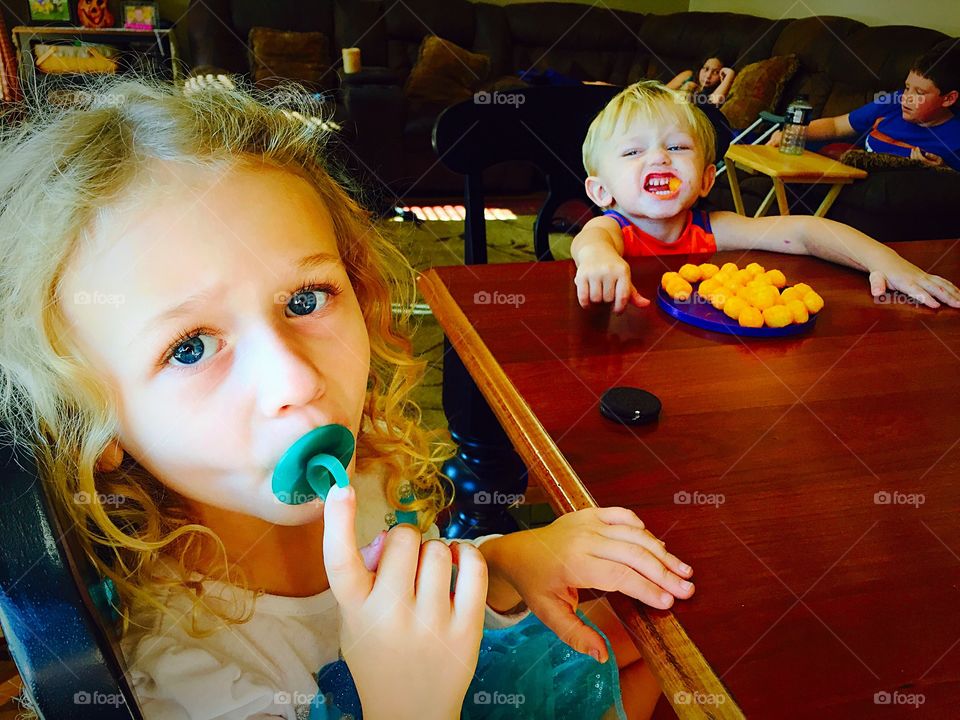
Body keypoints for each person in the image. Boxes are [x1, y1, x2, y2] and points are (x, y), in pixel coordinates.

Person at [0, 76, 695, 719]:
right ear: (99, 419)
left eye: (306, 299)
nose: (296, 382)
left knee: (661, 641)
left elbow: (421, 580)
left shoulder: (364, 476)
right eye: (189, 347)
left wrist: (506, 564)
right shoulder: (179, 669)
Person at [571, 81, 960, 313]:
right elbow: (591, 239)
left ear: (707, 180)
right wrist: (597, 259)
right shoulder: (612, 230)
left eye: (677, 148)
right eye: (632, 152)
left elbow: (806, 232)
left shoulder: (713, 229)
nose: (659, 157)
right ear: (601, 191)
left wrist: (888, 262)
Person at [767, 41, 960, 171]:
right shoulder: (893, 102)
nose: (906, 98)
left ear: (949, 99)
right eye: (907, 87)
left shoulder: (954, 140)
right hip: (842, 176)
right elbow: (836, 126)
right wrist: (793, 132)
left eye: (919, 93)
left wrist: (941, 171)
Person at [666, 54, 736, 107]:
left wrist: (730, 74)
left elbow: (713, 104)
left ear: (722, 75)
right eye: (706, 69)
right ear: (700, 68)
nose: (708, 76)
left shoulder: (719, 91)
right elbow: (661, 93)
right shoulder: (688, 75)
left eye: (716, 72)